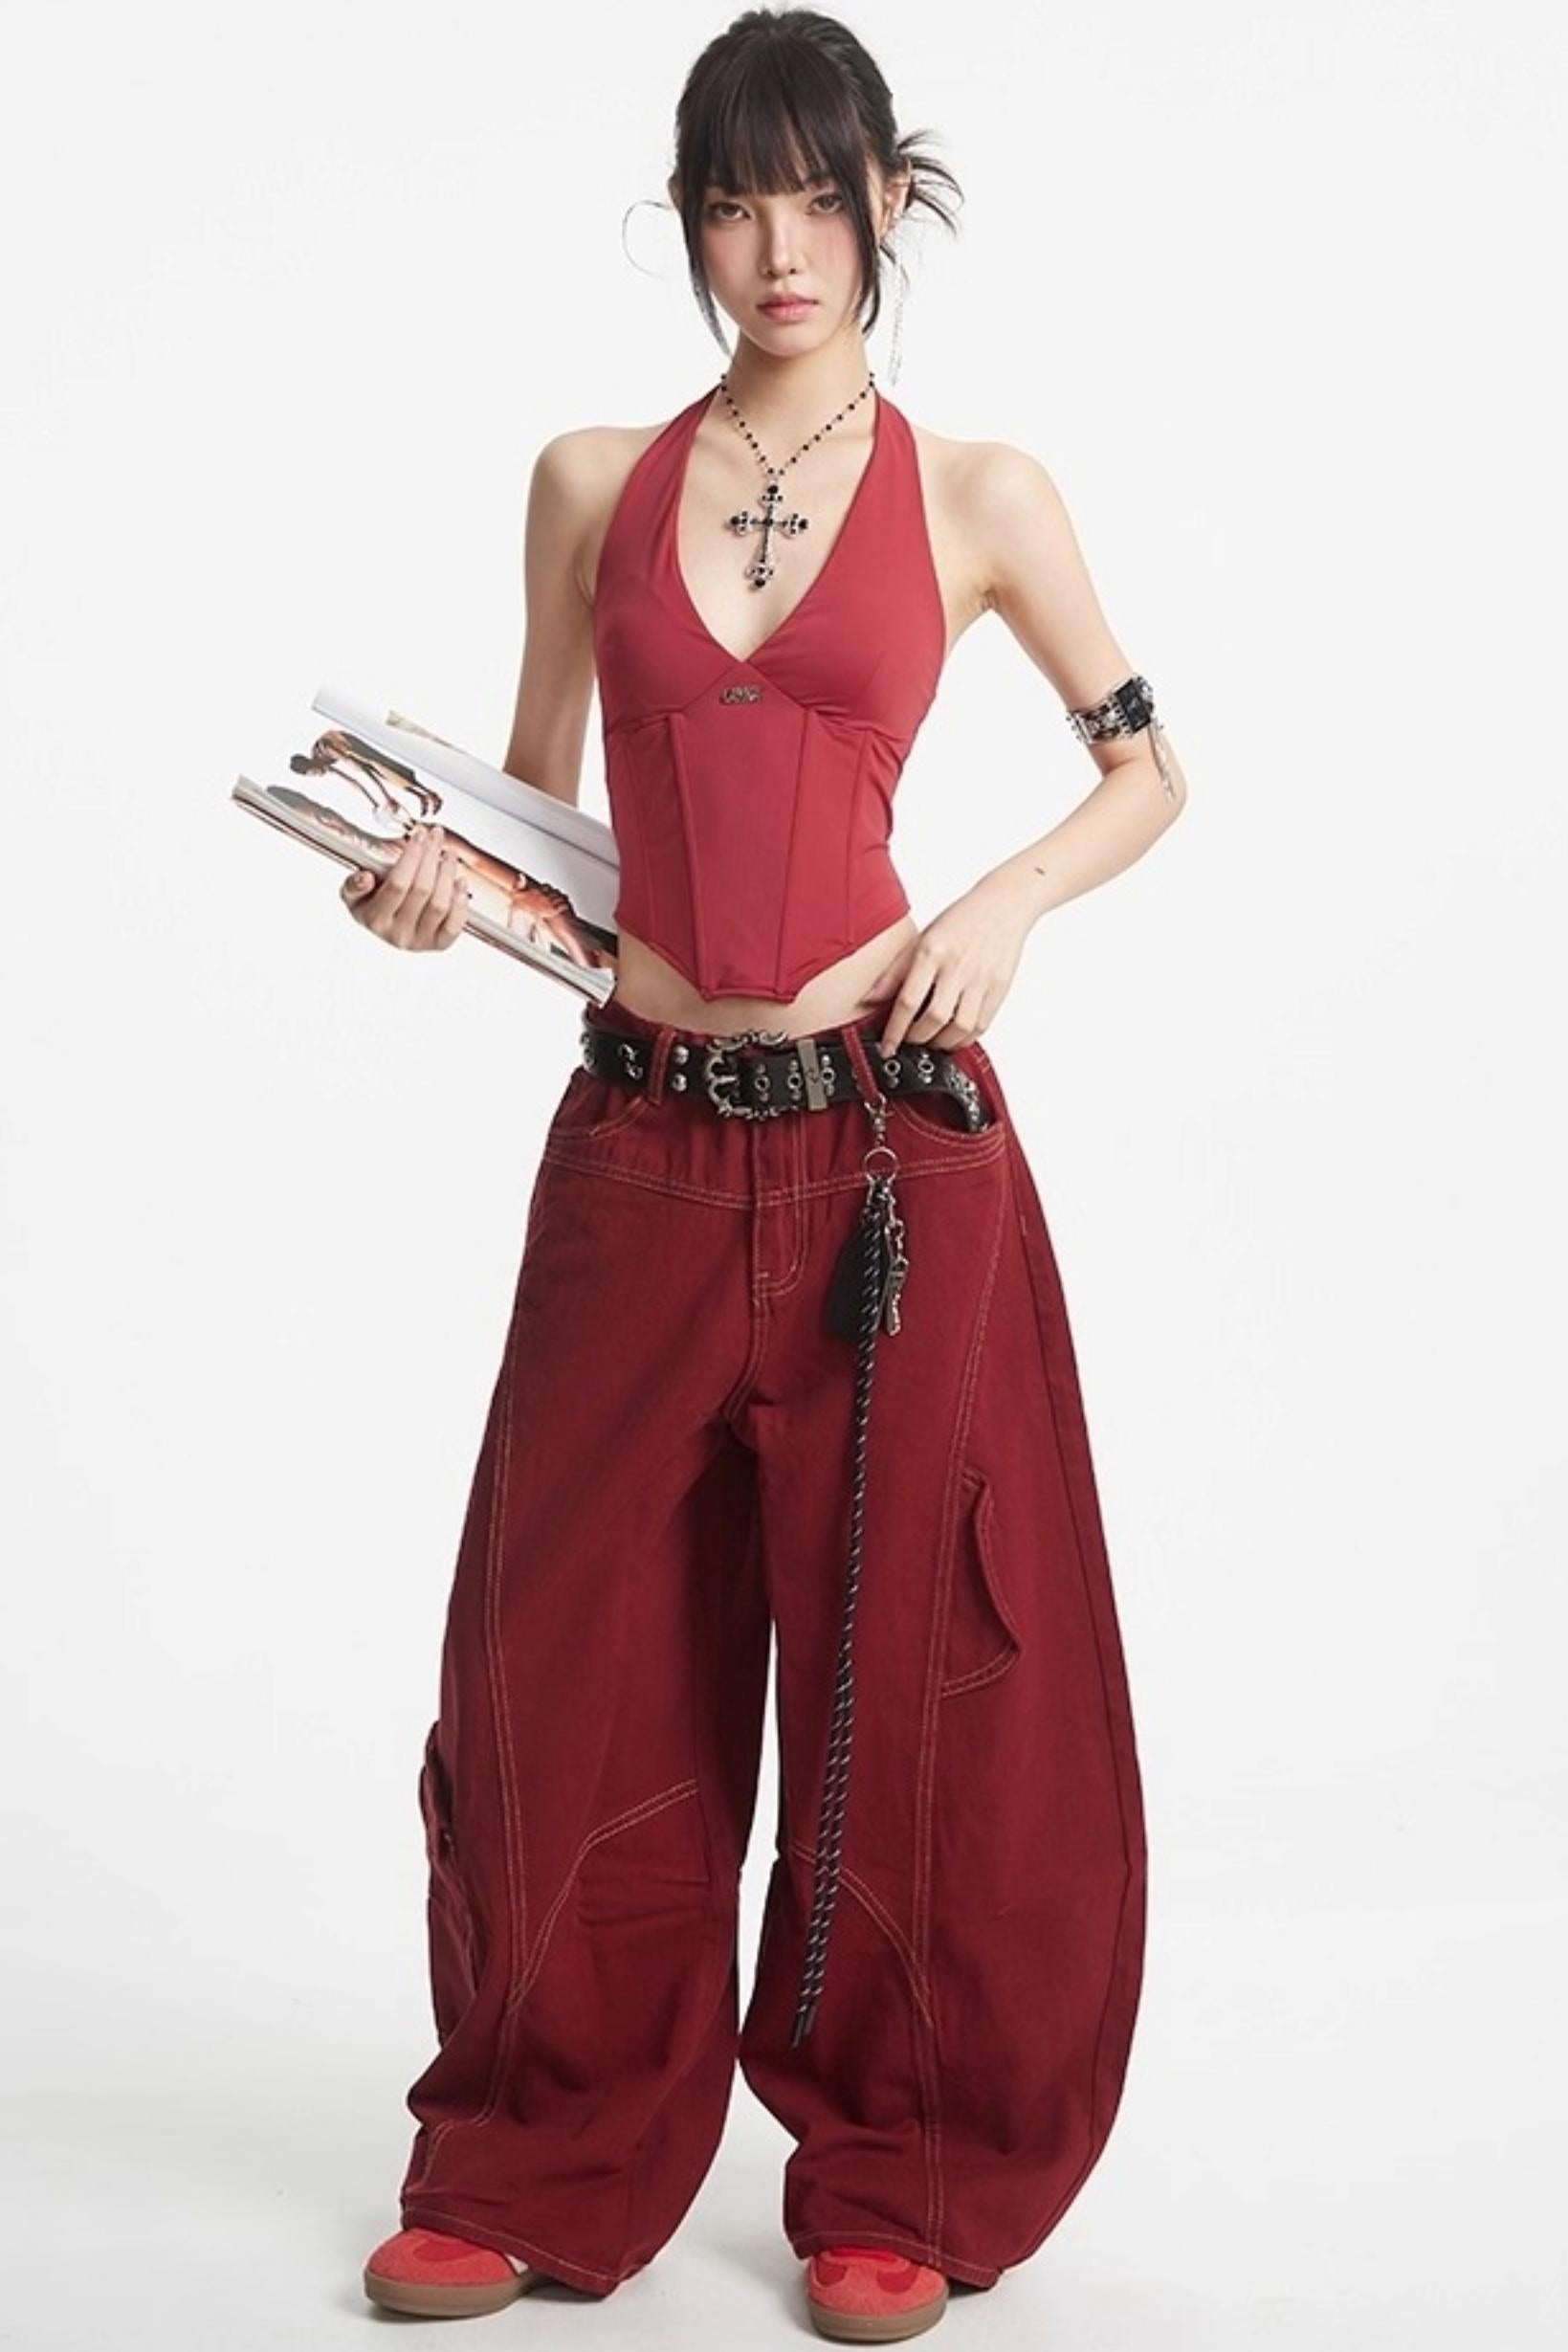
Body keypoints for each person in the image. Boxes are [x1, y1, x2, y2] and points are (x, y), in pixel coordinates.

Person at [349, 9, 1184, 2339]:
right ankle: (537, 2148)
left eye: (817, 195)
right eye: (731, 202)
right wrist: (430, 888)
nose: (777, 246)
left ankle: (898, 2163)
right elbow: (540, 820)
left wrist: (1001, 904)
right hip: (636, 1138)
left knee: (909, 1670)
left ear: (889, 202)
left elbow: (1148, 768)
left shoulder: (982, 493)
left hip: (883, 1156)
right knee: (565, 1647)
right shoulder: (589, 480)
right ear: (689, 220)